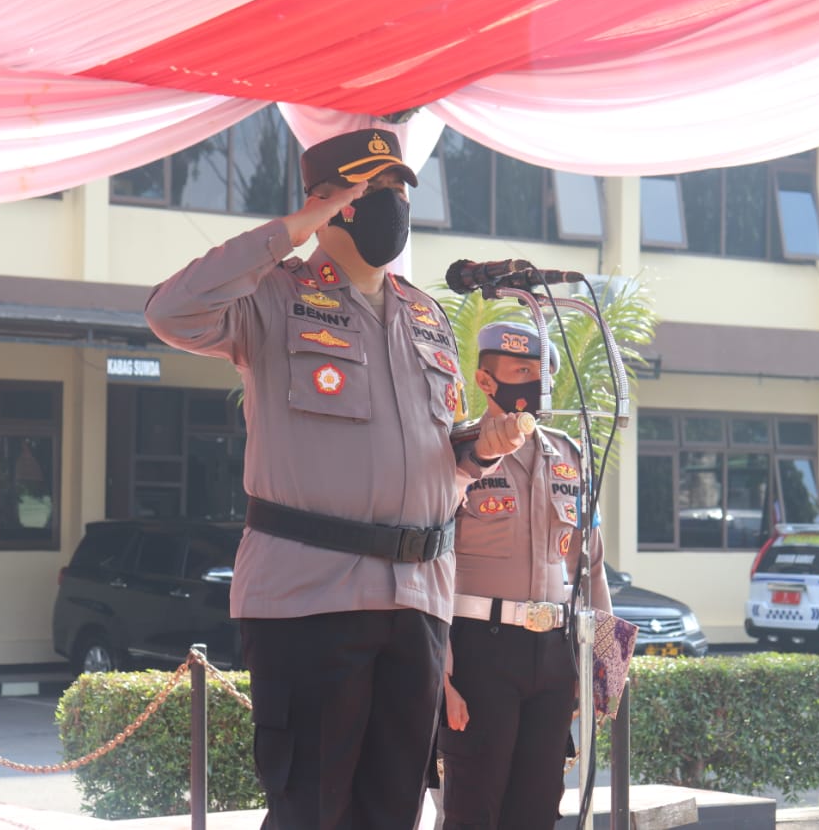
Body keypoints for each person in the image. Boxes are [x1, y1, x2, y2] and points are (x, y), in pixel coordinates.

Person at [144, 127, 526, 830]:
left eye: (398, 191)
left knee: (392, 813)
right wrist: (288, 232)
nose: (393, 206)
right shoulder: (273, 298)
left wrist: (483, 447)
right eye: (374, 191)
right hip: (310, 599)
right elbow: (171, 313)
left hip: (417, 603)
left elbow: (439, 455)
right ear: (329, 202)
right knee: (312, 811)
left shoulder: (426, 315)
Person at [438, 321, 613, 830]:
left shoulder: (570, 457)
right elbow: (430, 565)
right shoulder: (456, 452)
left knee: (538, 809)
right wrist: (441, 673)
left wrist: (603, 669)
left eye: (544, 375)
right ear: (486, 381)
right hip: (479, 652)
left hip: (555, 653)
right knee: (474, 808)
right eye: (521, 371)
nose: (536, 385)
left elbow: (591, 564)